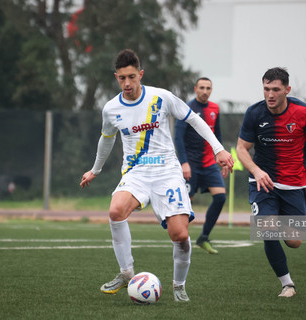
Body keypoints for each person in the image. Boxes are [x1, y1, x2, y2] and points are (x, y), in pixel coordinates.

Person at [80, 49, 234, 302]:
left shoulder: (161, 97)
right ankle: (126, 272)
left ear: (140, 74)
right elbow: (106, 140)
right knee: (115, 211)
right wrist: (95, 170)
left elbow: (194, 120)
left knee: (180, 236)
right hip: (136, 172)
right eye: (122, 78)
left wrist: (218, 149)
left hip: (167, 172)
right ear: (116, 77)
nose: (127, 83)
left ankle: (178, 285)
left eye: (132, 77)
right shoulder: (111, 109)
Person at [236, 67, 306, 298]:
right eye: (266, 89)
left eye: (275, 89)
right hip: (263, 182)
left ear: (287, 90)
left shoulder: (301, 112)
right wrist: (256, 171)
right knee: (266, 230)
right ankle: (287, 285)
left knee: (294, 241)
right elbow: (241, 149)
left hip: (294, 184)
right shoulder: (254, 113)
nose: (270, 95)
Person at [175, 77, 228, 254]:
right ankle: (183, 242)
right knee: (186, 205)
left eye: (208, 88)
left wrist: (221, 158)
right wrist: (184, 163)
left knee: (220, 197)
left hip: (209, 164)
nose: (205, 91)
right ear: (195, 89)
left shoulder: (215, 108)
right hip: (190, 164)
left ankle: (204, 237)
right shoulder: (186, 108)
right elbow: (178, 138)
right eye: (202, 88)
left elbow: (217, 135)